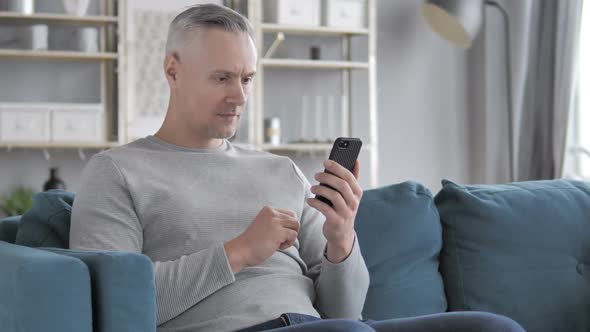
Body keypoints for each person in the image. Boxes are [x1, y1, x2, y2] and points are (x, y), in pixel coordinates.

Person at [70, 4, 524, 332]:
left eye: (246, 78)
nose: (240, 97)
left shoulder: (281, 171)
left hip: (325, 327)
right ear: (173, 70)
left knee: (491, 327)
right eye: (222, 78)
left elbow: (345, 311)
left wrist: (341, 240)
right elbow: (116, 306)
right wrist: (240, 251)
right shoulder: (116, 173)